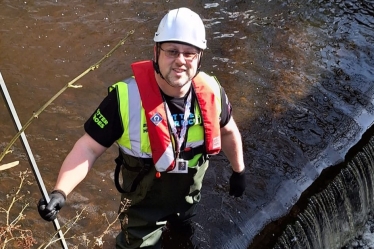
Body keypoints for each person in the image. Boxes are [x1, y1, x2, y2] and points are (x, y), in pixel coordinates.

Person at [38, 7, 246, 249]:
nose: (180, 60)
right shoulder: (125, 98)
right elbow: (88, 148)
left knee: (182, 238)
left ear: (199, 58)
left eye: (189, 53)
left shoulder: (211, 92)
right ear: (156, 51)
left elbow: (228, 130)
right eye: (172, 51)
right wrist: (60, 192)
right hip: (142, 208)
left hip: (188, 200)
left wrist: (239, 172)